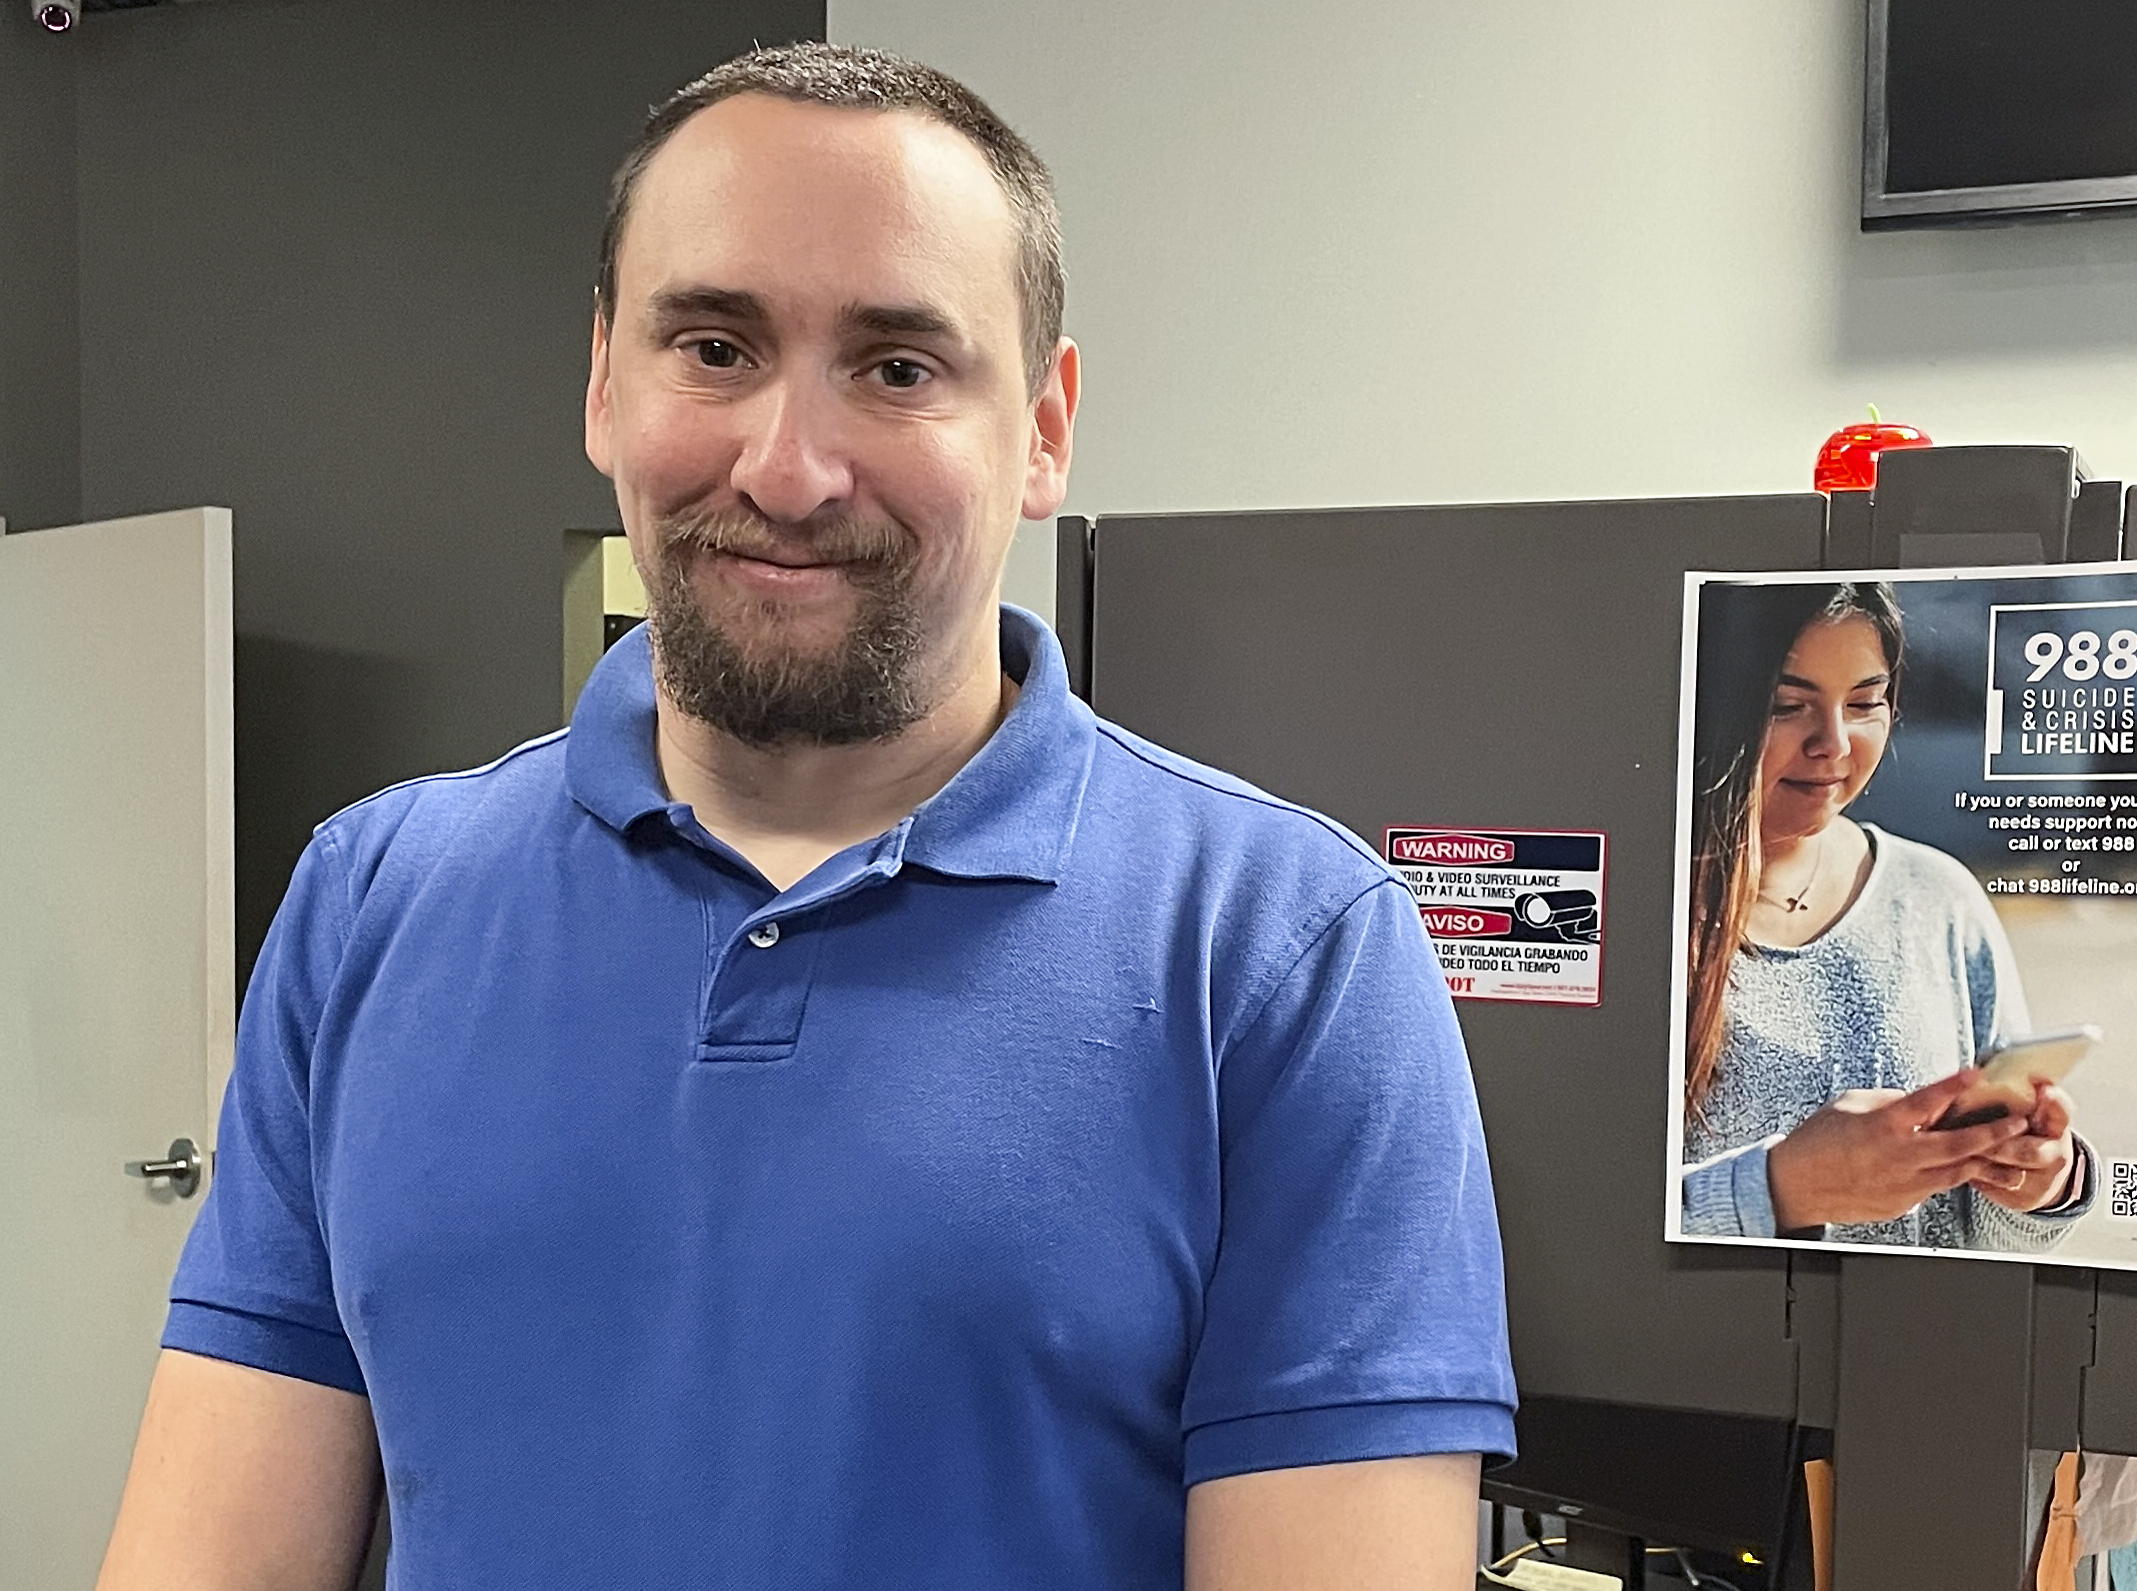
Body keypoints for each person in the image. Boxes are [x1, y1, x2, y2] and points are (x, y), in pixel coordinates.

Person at [96, 43, 1513, 1591]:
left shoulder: (1286, 951)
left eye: (897, 366)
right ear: (601, 383)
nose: (786, 467)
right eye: (712, 346)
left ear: (1042, 426)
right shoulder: (374, 897)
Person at [1676, 580, 2097, 1251]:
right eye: (1787, 705)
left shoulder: (1937, 897)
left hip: (1908, 1348)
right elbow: (1568, 1228)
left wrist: (2036, 1187)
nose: (1835, 743)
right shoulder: (1626, 909)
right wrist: (1780, 1189)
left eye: (1865, 702)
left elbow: (1980, 1246)